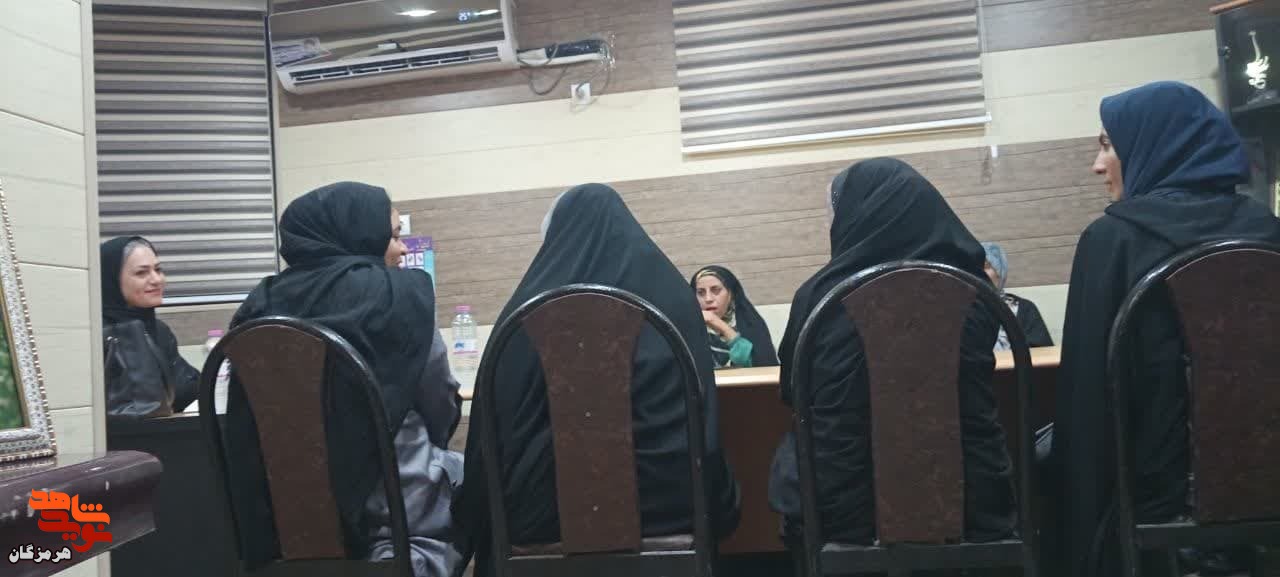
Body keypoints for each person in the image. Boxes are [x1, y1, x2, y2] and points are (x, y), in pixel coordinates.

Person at [1048, 81, 1280, 577]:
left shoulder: (1113, 240)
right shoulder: (1267, 231)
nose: (1097, 165)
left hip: (1154, 501)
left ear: (1153, 144)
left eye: (1108, 145)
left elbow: (1088, 398)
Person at [453, 183, 741, 577]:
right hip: (673, 512)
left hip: (540, 521)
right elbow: (704, 423)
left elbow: (490, 436)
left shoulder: (526, 312)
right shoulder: (674, 301)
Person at [768, 158, 1016, 549]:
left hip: (846, 516)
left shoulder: (822, 298)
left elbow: (792, 393)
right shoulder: (971, 292)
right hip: (976, 507)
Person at [225, 182, 464, 577]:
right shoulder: (401, 295)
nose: (402, 249)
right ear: (363, 233)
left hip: (281, 515)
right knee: (474, 478)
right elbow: (439, 398)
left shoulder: (260, 303)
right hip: (395, 510)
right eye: (394, 236)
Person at [101, 236, 199, 417]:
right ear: (112, 279)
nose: (156, 279)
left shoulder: (159, 330)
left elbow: (188, 388)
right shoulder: (100, 336)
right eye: (141, 273)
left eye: (158, 270)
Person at [689, 265, 779, 368]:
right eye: (701, 293)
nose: (708, 299)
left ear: (730, 294)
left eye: (716, 290)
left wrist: (722, 327)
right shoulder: (688, 331)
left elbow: (762, 367)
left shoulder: (750, 325)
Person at [981, 242, 1054, 350]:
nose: (979, 273)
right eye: (973, 267)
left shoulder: (1025, 309)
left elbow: (1043, 353)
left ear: (1000, 271)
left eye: (986, 266)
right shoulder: (959, 309)